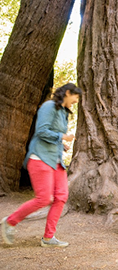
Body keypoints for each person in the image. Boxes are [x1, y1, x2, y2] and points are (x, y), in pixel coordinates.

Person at [1, 83, 82, 247]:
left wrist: (62, 143)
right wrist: (62, 137)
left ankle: (48, 238)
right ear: (67, 93)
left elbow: (55, 136)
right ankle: (9, 222)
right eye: (75, 97)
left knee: (61, 197)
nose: (75, 102)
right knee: (44, 198)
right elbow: (41, 131)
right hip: (40, 158)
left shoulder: (63, 112)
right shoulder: (49, 106)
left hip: (56, 160)